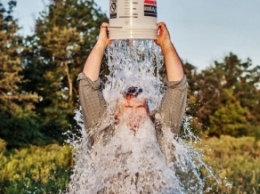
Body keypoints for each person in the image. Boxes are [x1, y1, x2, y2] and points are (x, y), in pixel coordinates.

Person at [76, 22, 188, 193]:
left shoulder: (163, 134)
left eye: (139, 108)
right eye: (127, 108)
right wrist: (100, 46)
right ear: (116, 114)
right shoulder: (102, 132)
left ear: (149, 111)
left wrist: (166, 45)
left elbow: (177, 87)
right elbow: (88, 86)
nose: (133, 114)